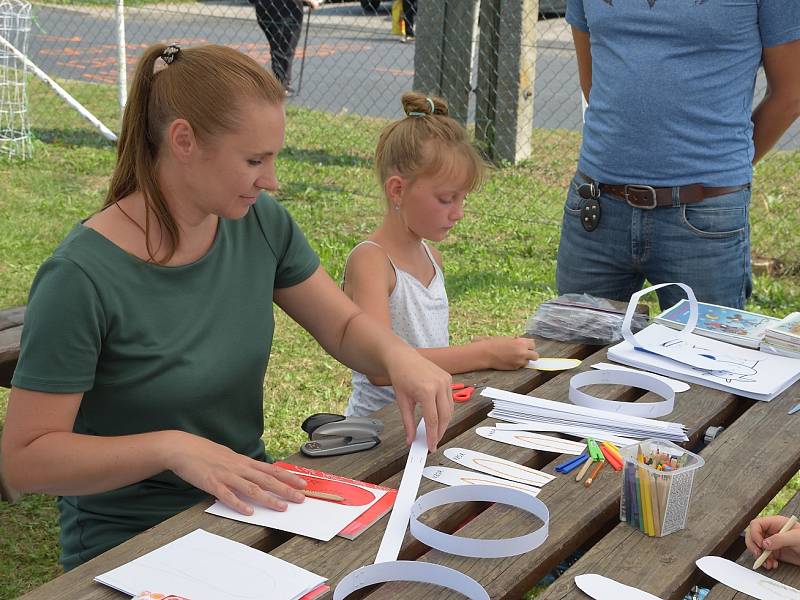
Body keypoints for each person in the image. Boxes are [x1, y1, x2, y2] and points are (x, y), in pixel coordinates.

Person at [0, 44, 452, 571]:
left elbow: (345, 326)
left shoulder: (260, 223)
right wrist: (171, 448)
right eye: (254, 160)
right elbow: (24, 460)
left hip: (248, 511)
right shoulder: (80, 278)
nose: (272, 180)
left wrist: (400, 357)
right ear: (184, 141)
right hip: (129, 544)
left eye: (274, 158)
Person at [556, 0, 800, 311]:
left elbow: (790, 93)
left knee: (702, 357)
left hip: (704, 216)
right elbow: (593, 84)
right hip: (596, 208)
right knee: (577, 354)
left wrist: (720, 166)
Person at [342, 92, 539, 417]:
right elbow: (378, 367)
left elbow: (428, 352)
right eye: (447, 199)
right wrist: (484, 354)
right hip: (378, 432)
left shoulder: (432, 257)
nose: (458, 213)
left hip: (428, 420)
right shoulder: (372, 262)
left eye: (463, 199)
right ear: (398, 190)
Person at [252, 0, 319, 94]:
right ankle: (280, 85)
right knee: (285, 46)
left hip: (264, 5)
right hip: (286, 7)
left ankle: (280, 82)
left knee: (278, 45)